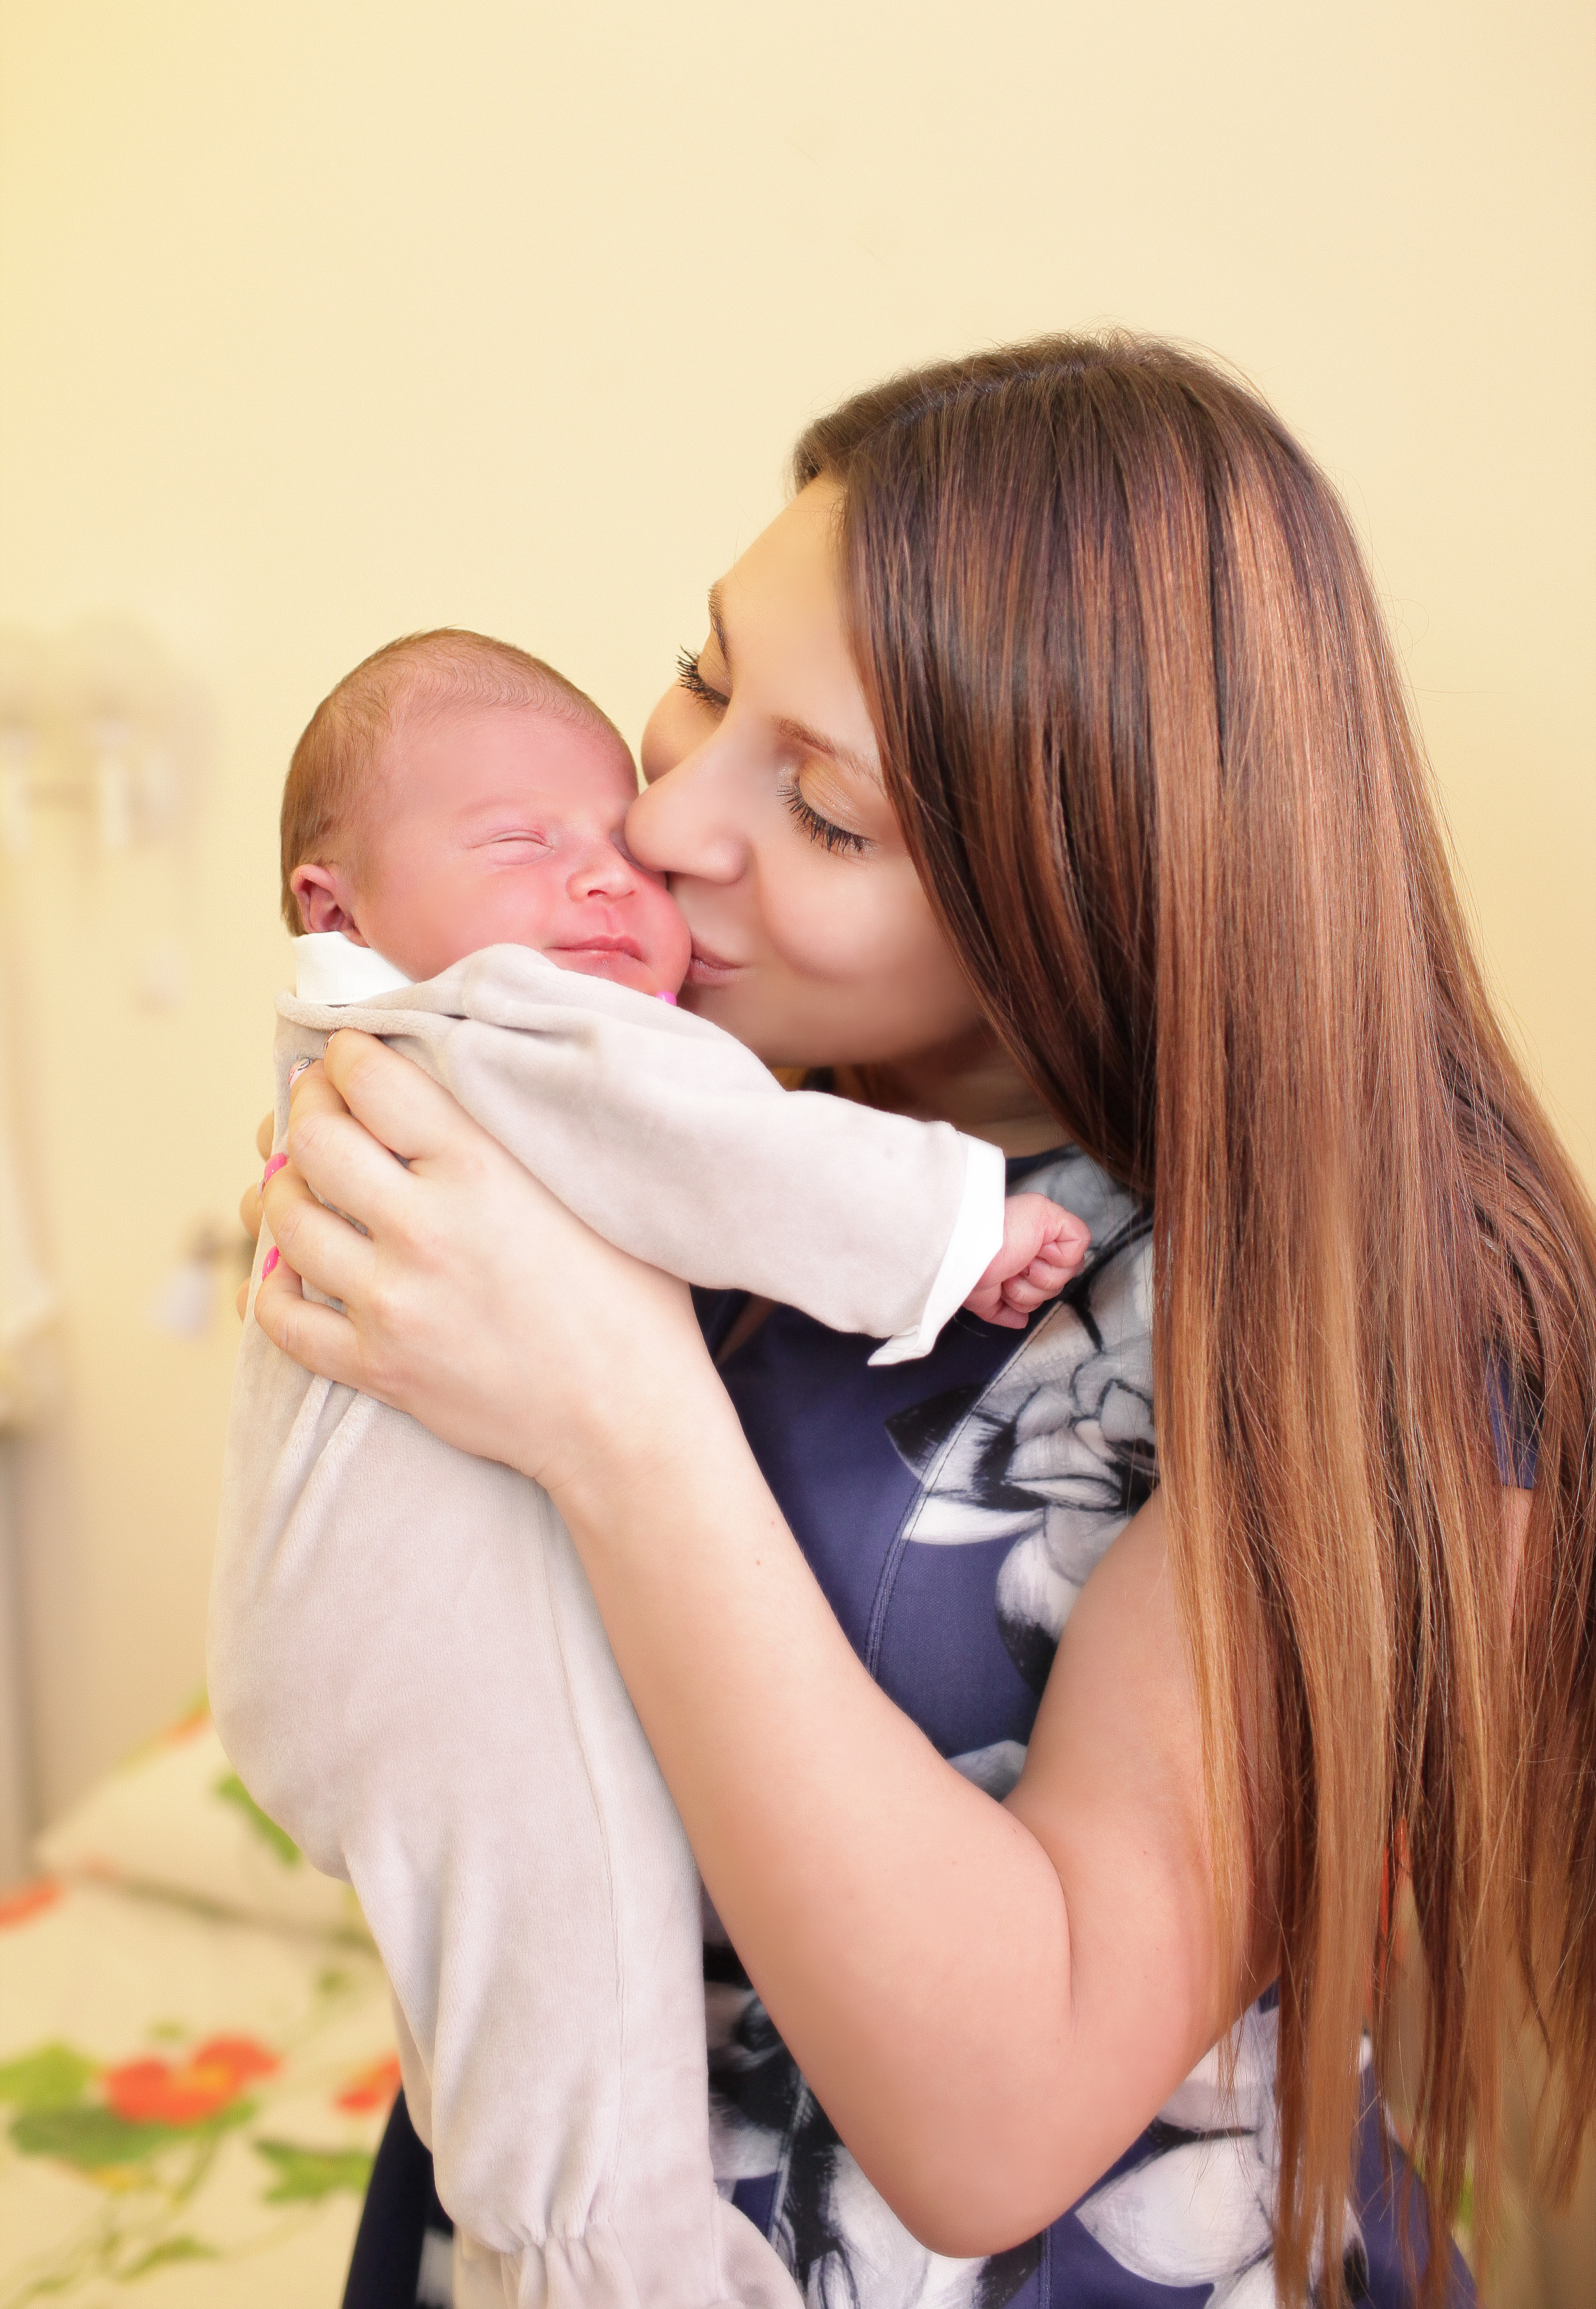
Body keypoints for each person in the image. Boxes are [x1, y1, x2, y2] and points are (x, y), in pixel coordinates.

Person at [246, 335, 1596, 2309]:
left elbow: (995, 2126)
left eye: (834, 817)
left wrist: (612, 1409)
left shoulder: (1381, 1317)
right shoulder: (716, 1093)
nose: (671, 824)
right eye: (706, 675)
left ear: (1099, 883)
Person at [212, 626, 1084, 2309]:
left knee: (528, 1988)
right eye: (527, 846)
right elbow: (711, 1151)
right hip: (420, 1629)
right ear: (336, 912)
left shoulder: (430, 1030)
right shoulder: (493, 1026)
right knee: (569, 1970)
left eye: (824, 800)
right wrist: (954, 1225)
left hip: (360, 1634)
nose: (634, 869)